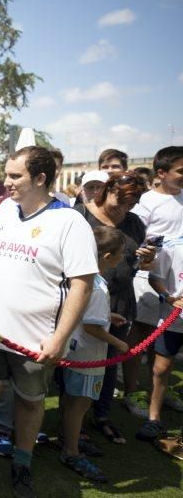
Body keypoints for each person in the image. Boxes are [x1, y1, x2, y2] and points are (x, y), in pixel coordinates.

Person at [0, 146, 98, 498]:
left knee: (30, 403)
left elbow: (83, 283)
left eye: (16, 176)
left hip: (36, 338)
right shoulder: (2, 213)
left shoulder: (69, 221)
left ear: (41, 178)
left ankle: (22, 461)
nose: (7, 182)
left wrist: (60, 338)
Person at [74, 171, 156, 439]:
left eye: (131, 204)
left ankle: (102, 414)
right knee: (78, 362)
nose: (123, 209)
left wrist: (146, 259)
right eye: (119, 201)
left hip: (120, 302)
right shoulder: (78, 216)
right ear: (105, 189)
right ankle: (75, 421)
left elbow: (135, 263)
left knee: (110, 363)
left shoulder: (134, 223)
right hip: (83, 300)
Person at [58, 226, 127, 483]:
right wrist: (118, 344)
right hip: (88, 356)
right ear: (108, 256)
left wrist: (108, 316)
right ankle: (71, 451)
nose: (123, 258)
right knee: (80, 404)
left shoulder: (84, 277)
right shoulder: (98, 287)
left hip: (74, 350)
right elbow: (91, 326)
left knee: (70, 399)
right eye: (121, 253)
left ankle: (68, 439)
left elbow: (84, 314)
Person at [130, 146, 183, 419]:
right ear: (161, 173)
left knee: (166, 343)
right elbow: (135, 242)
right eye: (180, 171)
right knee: (141, 336)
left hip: (177, 284)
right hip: (147, 279)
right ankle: (132, 390)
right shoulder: (146, 202)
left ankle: (158, 391)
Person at [139, 235, 183, 443]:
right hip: (172, 322)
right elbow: (154, 278)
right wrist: (169, 297)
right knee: (160, 370)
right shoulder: (173, 247)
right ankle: (154, 419)